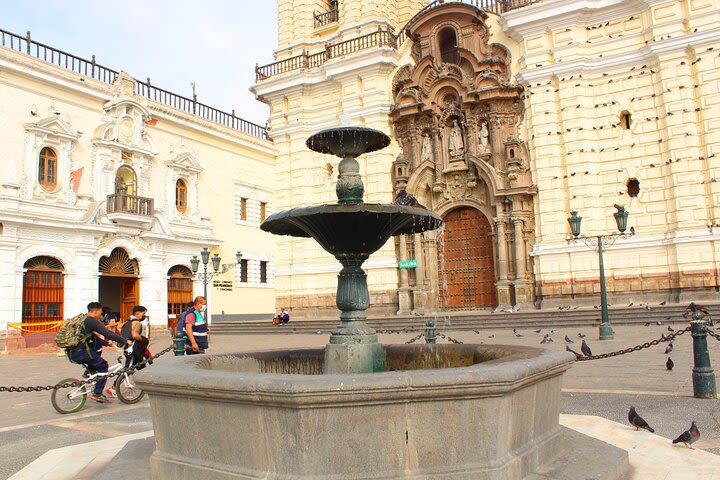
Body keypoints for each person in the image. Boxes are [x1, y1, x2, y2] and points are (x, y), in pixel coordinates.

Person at [68, 302, 131, 403]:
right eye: (101, 312)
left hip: (72, 352)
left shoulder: (82, 319)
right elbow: (108, 333)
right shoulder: (92, 321)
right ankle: (97, 393)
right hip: (82, 352)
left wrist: (106, 343)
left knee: (97, 358)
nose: (101, 314)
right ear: (96, 311)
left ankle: (90, 373)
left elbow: (93, 337)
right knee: (103, 366)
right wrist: (124, 341)